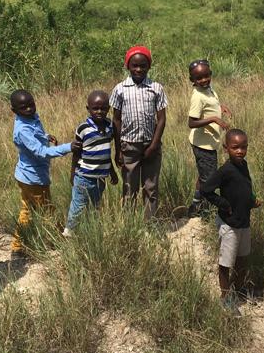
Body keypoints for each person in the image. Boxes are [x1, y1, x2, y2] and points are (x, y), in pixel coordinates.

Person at [201, 129, 260, 316]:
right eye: (235, 147)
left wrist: (252, 201)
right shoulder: (225, 171)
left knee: (242, 258)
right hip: (230, 225)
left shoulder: (244, 165)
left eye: (244, 147)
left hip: (244, 222)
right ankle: (226, 297)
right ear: (226, 148)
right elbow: (205, 190)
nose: (240, 151)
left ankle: (239, 290)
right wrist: (224, 204)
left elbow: (244, 188)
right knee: (226, 263)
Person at [10, 89, 72, 256]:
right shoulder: (22, 129)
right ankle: (58, 240)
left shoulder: (31, 118)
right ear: (14, 110)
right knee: (47, 211)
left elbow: (35, 134)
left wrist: (46, 136)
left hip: (27, 175)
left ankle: (17, 245)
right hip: (33, 178)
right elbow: (41, 152)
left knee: (27, 210)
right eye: (24, 107)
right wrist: (69, 147)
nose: (29, 109)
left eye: (31, 104)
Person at [111, 46, 168, 219]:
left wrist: (154, 145)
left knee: (151, 187)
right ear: (127, 66)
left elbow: (161, 119)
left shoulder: (156, 88)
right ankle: (129, 224)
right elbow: (116, 120)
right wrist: (118, 150)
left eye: (143, 66)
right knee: (129, 187)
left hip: (151, 144)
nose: (138, 69)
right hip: (129, 145)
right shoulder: (120, 89)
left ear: (149, 66)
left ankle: (150, 223)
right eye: (134, 65)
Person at [63, 90, 119, 235]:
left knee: (95, 207)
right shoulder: (83, 129)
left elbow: (105, 152)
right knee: (78, 206)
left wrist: (112, 172)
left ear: (108, 108)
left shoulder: (109, 126)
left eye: (103, 108)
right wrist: (72, 173)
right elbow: (76, 153)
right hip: (84, 177)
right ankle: (69, 232)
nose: (99, 111)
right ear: (88, 109)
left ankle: (91, 233)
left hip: (101, 179)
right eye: (95, 108)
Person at [187, 59, 230, 217]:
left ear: (210, 74)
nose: (204, 80)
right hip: (203, 145)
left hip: (209, 143)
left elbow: (210, 104)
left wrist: (220, 107)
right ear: (192, 80)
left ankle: (195, 205)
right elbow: (192, 122)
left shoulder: (208, 89)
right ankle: (206, 212)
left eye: (206, 76)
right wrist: (213, 119)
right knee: (209, 179)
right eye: (199, 78)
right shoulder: (198, 96)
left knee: (204, 175)